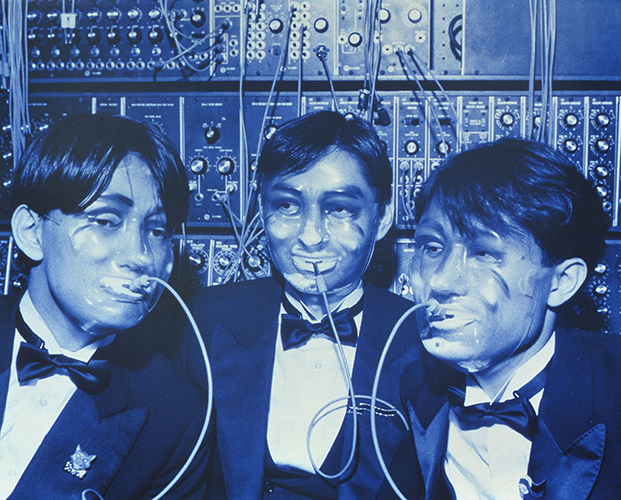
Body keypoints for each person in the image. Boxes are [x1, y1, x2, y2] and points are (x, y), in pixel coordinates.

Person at [181, 110, 422, 498]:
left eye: (340, 209)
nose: (310, 237)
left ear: (382, 218)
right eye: (287, 206)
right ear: (262, 211)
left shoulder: (422, 340)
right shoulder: (202, 321)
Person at [0, 113, 209, 499]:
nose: (141, 256)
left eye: (157, 230)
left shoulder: (177, 415)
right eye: (106, 220)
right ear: (31, 232)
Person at [400, 137, 620, 499]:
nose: (440, 281)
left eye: (484, 254)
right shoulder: (411, 387)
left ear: (561, 283)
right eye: (433, 247)